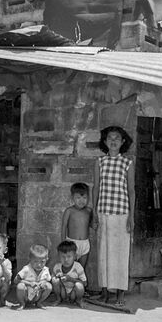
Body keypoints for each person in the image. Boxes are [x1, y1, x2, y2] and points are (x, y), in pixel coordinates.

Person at [92, 125, 135, 308]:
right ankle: (104, 292)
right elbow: (96, 188)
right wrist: (94, 212)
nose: (113, 141)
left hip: (122, 213)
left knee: (120, 253)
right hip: (103, 212)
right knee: (103, 252)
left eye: (117, 138)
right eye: (110, 137)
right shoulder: (100, 162)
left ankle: (120, 292)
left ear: (123, 142)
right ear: (105, 141)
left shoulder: (127, 163)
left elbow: (131, 191)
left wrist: (131, 216)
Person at [60, 182, 94, 270]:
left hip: (85, 244)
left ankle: (80, 279)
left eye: (84, 198)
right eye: (78, 198)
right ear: (72, 198)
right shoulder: (69, 211)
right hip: (71, 243)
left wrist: (95, 224)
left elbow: (91, 224)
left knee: (81, 269)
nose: (81, 201)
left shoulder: (89, 211)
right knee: (69, 268)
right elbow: (64, 227)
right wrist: (63, 243)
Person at [14, 244, 52, 310]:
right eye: (35, 261)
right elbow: (16, 280)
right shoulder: (26, 269)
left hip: (38, 295)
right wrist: (29, 283)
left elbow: (47, 280)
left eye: (42, 262)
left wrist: (43, 282)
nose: (39, 265)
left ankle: (39, 302)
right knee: (20, 286)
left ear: (47, 259)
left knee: (49, 286)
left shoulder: (46, 270)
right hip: (26, 294)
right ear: (30, 259)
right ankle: (22, 303)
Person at [50, 240, 87, 307]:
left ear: (75, 256)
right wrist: (57, 277)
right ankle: (58, 299)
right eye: (63, 257)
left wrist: (71, 279)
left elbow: (84, 283)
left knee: (79, 285)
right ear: (59, 256)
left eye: (69, 256)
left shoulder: (78, 267)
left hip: (74, 293)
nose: (66, 260)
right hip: (63, 292)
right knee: (55, 280)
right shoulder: (57, 267)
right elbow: (51, 281)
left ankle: (78, 300)